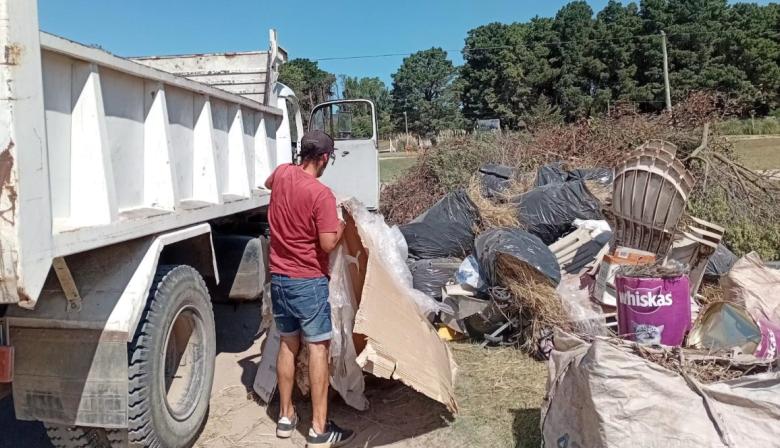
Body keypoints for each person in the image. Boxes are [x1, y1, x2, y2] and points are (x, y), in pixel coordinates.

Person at [264, 130, 355, 448]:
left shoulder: (282, 173)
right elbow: (328, 243)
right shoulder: (321, 194)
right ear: (325, 158)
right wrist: (341, 226)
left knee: (288, 344)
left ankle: (286, 416)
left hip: (279, 279)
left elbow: (268, 184)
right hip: (308, 282)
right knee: (318, 349)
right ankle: (319, 430)